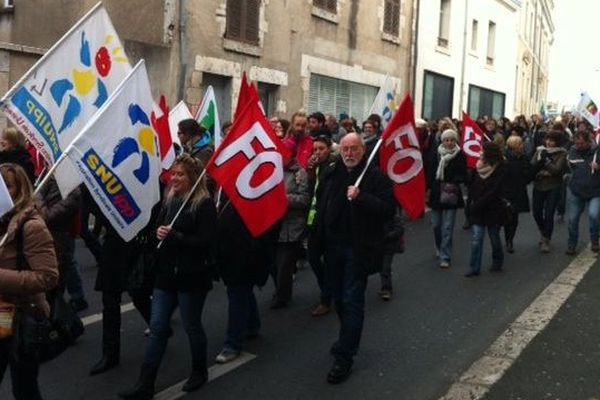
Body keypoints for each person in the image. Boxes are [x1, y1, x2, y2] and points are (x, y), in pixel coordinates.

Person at [119, 154, 217, 399]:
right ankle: (145, 383)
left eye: (180, 174)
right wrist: (158, 233)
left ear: (193, 177)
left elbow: (206, 241)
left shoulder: (203, 204)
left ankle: (199, 370)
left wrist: (176, 236)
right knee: (158, 327)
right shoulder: (169, 199)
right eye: (173, 173)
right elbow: (157, 231)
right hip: (165, 275)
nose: (174, 178)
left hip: (192, 276)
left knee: (191, 324)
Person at [313, 133, 394, 383]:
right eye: (345, 149)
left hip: (358, 250)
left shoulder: (375, 176)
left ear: (363, 150)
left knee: (352, 301)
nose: (349, 153)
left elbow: (388, 209)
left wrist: (362, 198)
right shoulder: (332, 172)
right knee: (338, 299)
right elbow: (321, 205)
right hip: (333, 247)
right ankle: (344, 339)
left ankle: (345, 357)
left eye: (354, 149)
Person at [0, 163, 58, 400]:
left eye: (8, 188)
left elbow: (48, 276)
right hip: (2, 311)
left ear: (20, 189)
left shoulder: (31, 226)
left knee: (24, 385)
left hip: (20, 314)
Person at [214, 202, 278, 364]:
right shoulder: (222, 191)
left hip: (244, 254)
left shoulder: (251, 195)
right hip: (227, 253)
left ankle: (232, 344)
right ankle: (252, 324)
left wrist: (255, 250)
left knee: (237, 294)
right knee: (240, 291)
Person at [36, 176, 89, 312]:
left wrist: (36, 200)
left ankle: (63, 317)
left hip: (60, 242)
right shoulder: (47, 178)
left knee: (55, 288)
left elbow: (47, 216)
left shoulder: (74, 193)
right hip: (43, 239)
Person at [270, 141, 310, 309]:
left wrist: (285, 199)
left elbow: (304, 199)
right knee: (273, 263)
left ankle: (283, 296)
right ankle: (280, 288)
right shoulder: (272, 171)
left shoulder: (300, 174)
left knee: (285, 264)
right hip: (274, 225)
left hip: (292, 226)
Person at [426, 129, 467, 269]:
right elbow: (429, 171)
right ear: (442, 141)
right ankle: (439, 245)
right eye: (446, 140)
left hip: (451, 193)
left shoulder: (460, 154)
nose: (449, 143)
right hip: (437, 193)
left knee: (448, 227)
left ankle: (445, 256)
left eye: (452, 140)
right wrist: (428, 187)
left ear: (455, 141)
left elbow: (464, 174)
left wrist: (454, 179)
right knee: (436, 225)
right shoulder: (436, 153)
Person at [465, 142, 507, 277]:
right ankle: (474, 267)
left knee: (494, 237)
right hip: (478, 208)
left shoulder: (500, 168)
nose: (480, 152)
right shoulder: (478, 166)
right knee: (477, 238)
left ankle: (497, 260)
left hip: (493, 208)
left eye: (483, 150)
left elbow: (494, 190)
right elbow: (471, 185)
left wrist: (478, 204)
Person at [306, 136, 336, 316]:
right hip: (314, 220)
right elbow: (312, 192)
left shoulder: (333, 167)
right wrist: (310, 171)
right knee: (313, 258)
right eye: (315, 149)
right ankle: (328, 288)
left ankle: (326, 298)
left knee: (329, 260)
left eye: (321, 149)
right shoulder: (316, 167)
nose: (317, 153)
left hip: (328, 222)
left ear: (329, 150)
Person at [530, 130, 567, 253]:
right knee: (536, 211)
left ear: (557, 142)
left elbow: (557, 170)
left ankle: (546, 239)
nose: (548, 142)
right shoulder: (540, 150)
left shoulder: (562, 153)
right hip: (538, 185)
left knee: (549, 213)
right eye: (547, 139)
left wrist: (546, 161)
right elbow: (532, 166)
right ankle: (543, 230)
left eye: (552, 140)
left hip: (553, 186)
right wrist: (541, 169)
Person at [565, 130, 600, 255]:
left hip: (595, 190)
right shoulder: (573, 151)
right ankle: (571, 244)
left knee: (593, 215)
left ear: (588, 142)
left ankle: (595, 239)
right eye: (576, 143)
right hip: (577, 190)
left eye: (581, 144)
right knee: (573, 219)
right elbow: (568, 167)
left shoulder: (597, 151)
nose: (578, 146)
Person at [503, 136, 531, 253]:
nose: (522, 146)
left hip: (519, 191)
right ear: (514, 147)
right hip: (507, 192)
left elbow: (528, 175)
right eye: (520, 144)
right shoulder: (505, 160)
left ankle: (510, 240)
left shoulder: (523, 158)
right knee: (508, 218)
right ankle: (508, 239)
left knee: (514, 219)